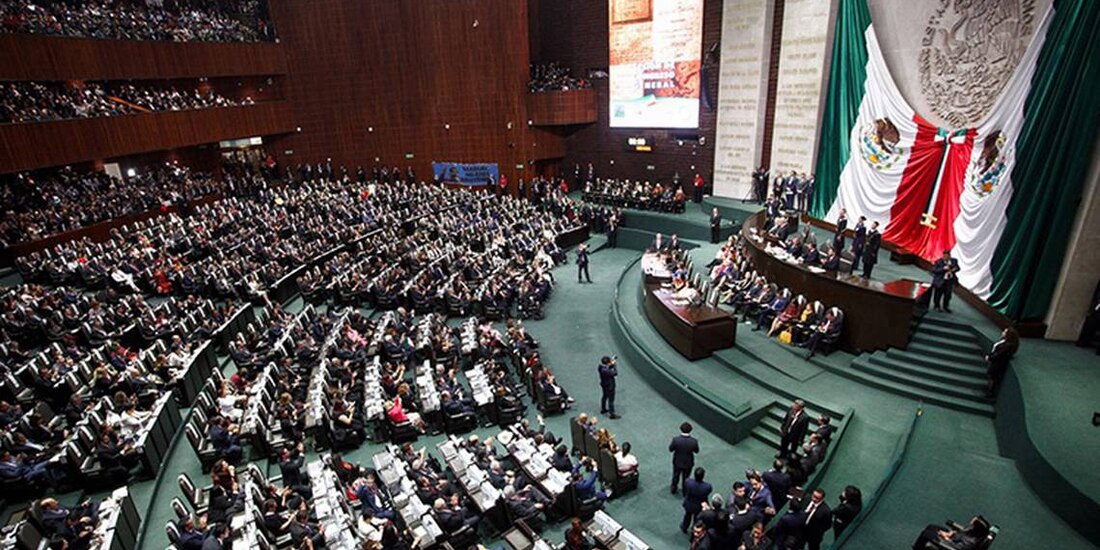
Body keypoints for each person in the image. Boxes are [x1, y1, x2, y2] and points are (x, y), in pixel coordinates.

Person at [911, 516, 990, 550]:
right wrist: (951, 534)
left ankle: (917, 548)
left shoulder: (970, 542)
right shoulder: (974, 531)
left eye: (972, 522)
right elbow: (961, 534)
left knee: (926, 534)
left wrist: (945, 538)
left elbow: (956, 547)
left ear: (976, 527)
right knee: (931, 526)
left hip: (949, 545)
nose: (970, 523)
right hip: (952, 538)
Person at [985, 327, 1019, 396]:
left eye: (1005, 332)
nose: (1002, 332)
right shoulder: (1004, 341)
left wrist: (990, 357)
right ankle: (989, 389)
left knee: (993, 377)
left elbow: (999, 354)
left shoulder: (1007, 346)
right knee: (991, 377)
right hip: (995, 362)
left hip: (997, 364)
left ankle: (990, 392)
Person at [669, 422, 699, 494]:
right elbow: (696, 451)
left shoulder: (676, 440)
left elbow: (670, 449)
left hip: (677, 462)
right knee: (686, 478)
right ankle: (685, 491)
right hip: (688, 463)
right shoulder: (694, 441)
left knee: (676, 475)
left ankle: (673, 489)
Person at [681, 467, 712, 533]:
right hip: (699, 506)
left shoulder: (688, 482)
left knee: (687, 516)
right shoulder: (707, 487)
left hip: (689, 503)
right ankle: (694, 529)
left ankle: (684, 527)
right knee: (697, 518)